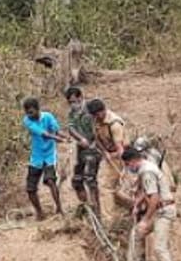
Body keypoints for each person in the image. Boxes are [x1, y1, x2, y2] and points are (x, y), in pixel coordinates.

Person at [123, 147, 180, 261]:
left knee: (159, 247)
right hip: (159, 210)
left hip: (164, 212)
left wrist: (146, 220)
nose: (128, 168)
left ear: (134, 161)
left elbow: (154, 198)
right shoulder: (146, 167)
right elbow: (147, 191)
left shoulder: (147, 171)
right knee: (136, 234)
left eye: (128, 164)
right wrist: (137, 203)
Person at [22, 97, 66, 220]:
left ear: (37, 109)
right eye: (27, 113)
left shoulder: (48, 117)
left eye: (31, 112)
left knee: (51, 181)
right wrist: (58, 139)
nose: (29, 115)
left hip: (49, 155)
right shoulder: (27, 121)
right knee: (30, 189)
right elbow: (44, 134)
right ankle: (40, 213)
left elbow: (56, 130)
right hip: (36, 157)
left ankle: (59, 208)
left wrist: (65, 136)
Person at [87, 98, 127, 227]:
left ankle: (108, 223)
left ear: (103, 110)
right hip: (108, 154)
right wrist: (104, 152)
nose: (97, 117)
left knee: (106, 188)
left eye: (98, 114)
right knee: (107, 187)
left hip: (121, 156)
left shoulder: (114, 124)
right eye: (94, 115)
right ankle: (128, 206)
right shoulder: (95, 121)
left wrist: (111, 155)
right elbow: (97, 139)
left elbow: (121, 150)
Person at [64, 86, 101, 218]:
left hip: (94, 148)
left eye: (74, 101)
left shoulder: (91, 109)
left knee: (90, 179)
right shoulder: (72, 113)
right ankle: (87, 207)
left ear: (80, 97)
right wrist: (80, 138)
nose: (72, 104)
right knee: (77, 180)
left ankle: (97, 212)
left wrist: (92, 142)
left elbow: (99, 128)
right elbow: (71, 127)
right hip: (82, 148)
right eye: (70, 102)